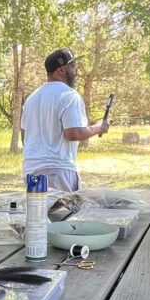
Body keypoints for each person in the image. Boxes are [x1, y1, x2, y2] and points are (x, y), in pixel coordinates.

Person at [20, 49, 109, 192]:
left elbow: (25, 138)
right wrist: (98, 128)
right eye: (73, 66)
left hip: (32, 171)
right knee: (64, 213)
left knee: (39, 211)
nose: (76, 71)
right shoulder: (69, 95)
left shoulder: (31, 99)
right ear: (61, 69)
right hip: (58, 171)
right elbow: (74, 133)